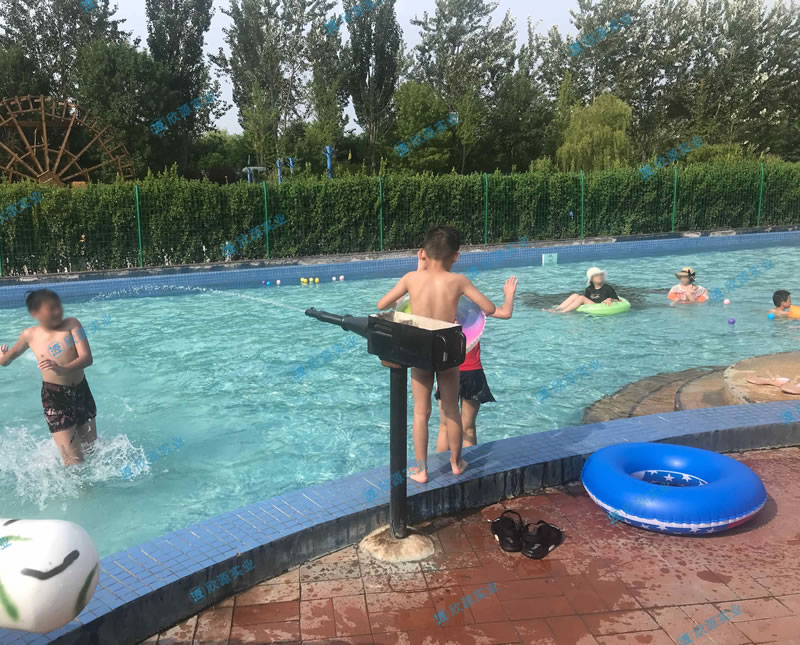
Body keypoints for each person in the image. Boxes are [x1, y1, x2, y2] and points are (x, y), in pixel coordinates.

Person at [377, 226, 497, 483]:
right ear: (455, 257)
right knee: (451, 410)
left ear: (422, 253)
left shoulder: (411, 278)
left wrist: (418, 273)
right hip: (446, 349)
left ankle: (421, 470)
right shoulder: (459, 281)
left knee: (421, 413)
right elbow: (489, 308)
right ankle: (456, 463)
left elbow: (382, 304)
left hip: (419, 348)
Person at [0, 289, 97, 466]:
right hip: (55, 397)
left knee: (92, 451)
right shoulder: (29, 335)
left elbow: (87, 358)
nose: (57, 311)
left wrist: (62, 369)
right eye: (51, 309)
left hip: (81, 391)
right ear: (35, 313)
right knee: (74, 462)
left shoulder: (72, 324)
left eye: (58, 306)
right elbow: (6, 361)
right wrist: (2, 356)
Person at [434, 276, 518, 450]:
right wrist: (509, 295)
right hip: (470, 372)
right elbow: (506, 313)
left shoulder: (438, 311)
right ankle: (464, 464)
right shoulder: (475, 310)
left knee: (445, 426)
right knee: (468, 429)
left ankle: (443, 465)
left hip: (449, 372)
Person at [547, 267, 620, 313]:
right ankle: (558, 308)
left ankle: (563, 312)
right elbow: (586, 300)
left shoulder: (607, 288)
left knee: (581, 297)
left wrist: (610, 299)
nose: (600, 276)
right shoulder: (589, 289)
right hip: (591, 305)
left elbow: (617, 300)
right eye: (597, 275)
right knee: (575, 295)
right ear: (591, 279)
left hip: (598, 306)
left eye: (601, 274)